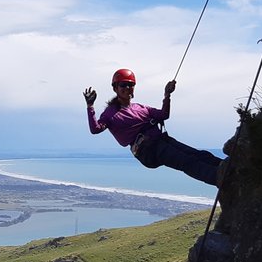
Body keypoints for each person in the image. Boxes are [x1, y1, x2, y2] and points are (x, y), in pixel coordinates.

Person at [83, 67, 226, 186]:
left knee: (198, 154)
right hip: (148, 149)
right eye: (123, 85)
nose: (127, 88)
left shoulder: (140, 107)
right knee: (187, 161)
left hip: (160, 141)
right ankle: (219, 178)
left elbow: (164, 115)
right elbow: (96, 129)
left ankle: (226, 167)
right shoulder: (110, 114)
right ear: (115, 88)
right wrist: (90, 106)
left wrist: (167, 95)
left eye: (130, 85)